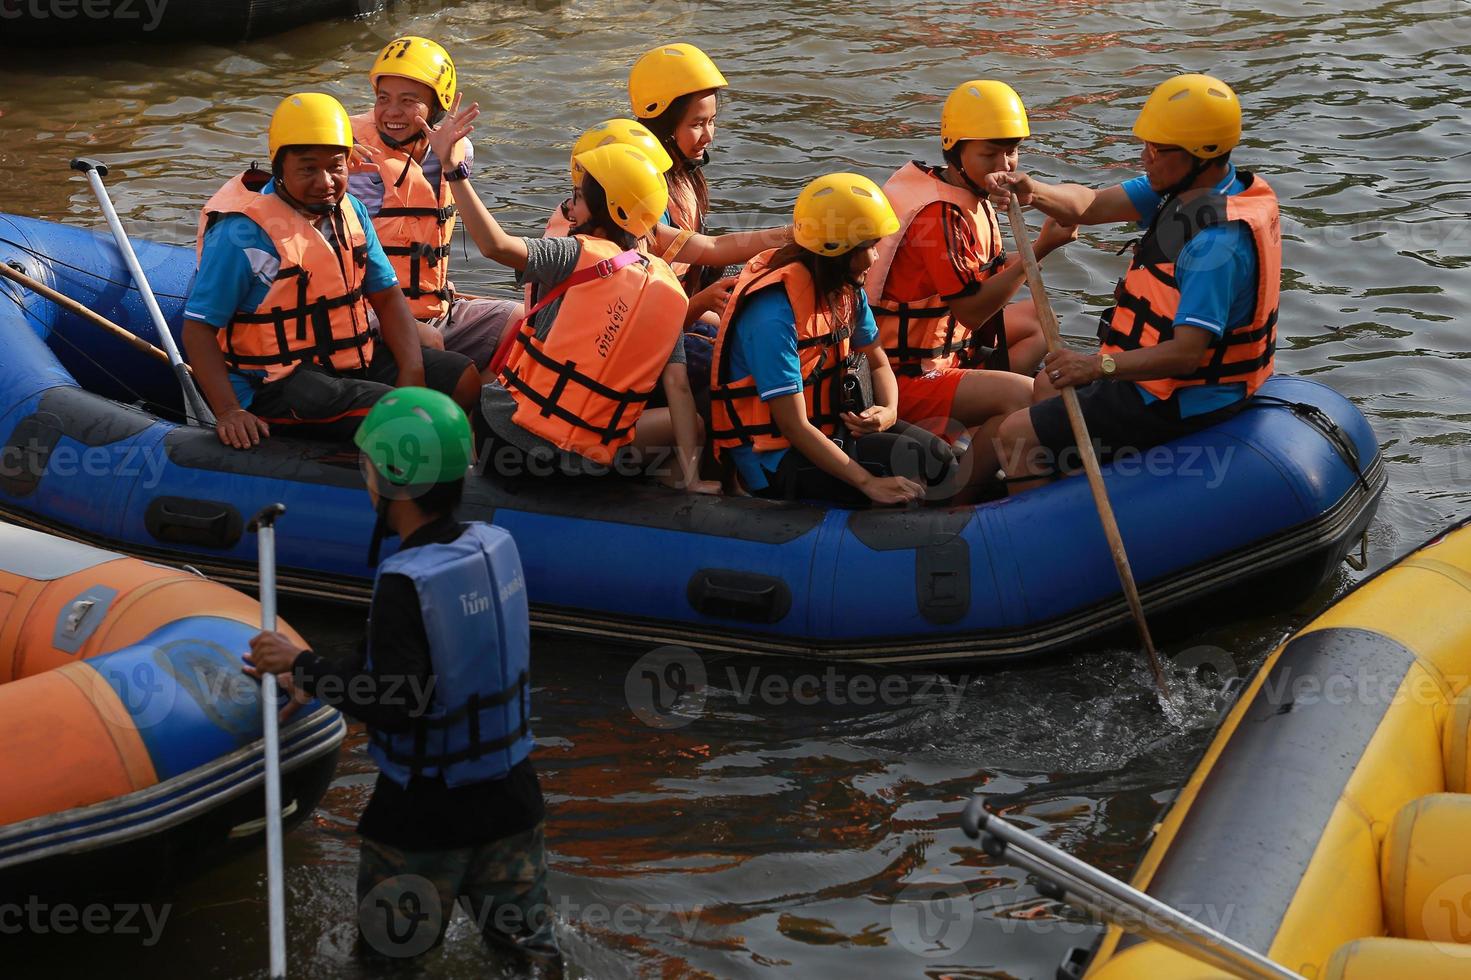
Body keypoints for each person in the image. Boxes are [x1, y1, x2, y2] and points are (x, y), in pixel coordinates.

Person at [243, 388, 560, 975]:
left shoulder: (404, 580)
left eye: (367, 466)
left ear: (394, 479)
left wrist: (302, 666)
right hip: (513, 803)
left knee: (388, 963)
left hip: (424, 820)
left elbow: (397, 700)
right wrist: (315, 674)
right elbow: (439, 664)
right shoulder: (493, 548)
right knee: (530, 962)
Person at [986, 73, 1281, 487]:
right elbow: (1089, 205)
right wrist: (1032, 191)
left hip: (1183, 399)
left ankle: (1042, 533)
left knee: (1014, 435)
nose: (1145, 157)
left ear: (1202, 154)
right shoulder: (1192, 187)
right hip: (1158, 380)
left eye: (1157, 150)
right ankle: (1080, 482)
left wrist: (1096, 365)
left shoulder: (1216, 245)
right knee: (1045, 387)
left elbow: (1185, 356)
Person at [425, 101, 716, 492]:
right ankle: (682, 495)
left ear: (604, 207)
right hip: (584, 466)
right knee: (693, 423)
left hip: (505, 442)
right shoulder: (668, 291)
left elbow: (494, 245)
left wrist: (454, 171)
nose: (570, 207)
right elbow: (678, 388)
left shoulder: (573, 252)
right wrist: (693, 477)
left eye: (577, 197)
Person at [184, 93, 479, 449]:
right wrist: (229, 411)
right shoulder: (241, 234)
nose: (325, 181)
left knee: (463, 377)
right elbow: (199, 329)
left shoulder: (349, 209)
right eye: (308, 169)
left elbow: (386, 298)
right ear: (280, 167)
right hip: (277, 384)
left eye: (336, 167)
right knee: (405, 413)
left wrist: (412, 373)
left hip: (348, 359)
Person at [709, 173, 958, 506]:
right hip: (775, 459)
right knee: (901, 476)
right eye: (866, 247)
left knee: (938, 457)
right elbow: (794, 426)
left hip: (831, 430)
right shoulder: (772, 315)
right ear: (834, 251)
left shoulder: (844, 290)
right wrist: (868, 483)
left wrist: (889, 410)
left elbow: (877, 358)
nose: (874, 258)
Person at [865, 80, 1072, 451]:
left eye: (1011, 152)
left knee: (1042, 321)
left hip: (946, 349)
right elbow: (973, 311)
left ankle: (978, 416)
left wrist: (1039, 248)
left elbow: (981, 280)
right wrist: (1037, 252)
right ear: (955, 151)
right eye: (989, 154)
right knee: (1024, 396)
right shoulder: (938, 214)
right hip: (901, 375)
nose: (1004, 166)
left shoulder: (960, 191)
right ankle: (967, 486)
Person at [348, 36, 524, 380]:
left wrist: (450, 165)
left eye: (408, 101)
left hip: (432, 306)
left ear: (438, 106)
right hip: (365, 310)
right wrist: (334, 156)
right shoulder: (345, 148)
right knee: (431, 345)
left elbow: (484, 241)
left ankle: (486, 414)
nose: (392, 112)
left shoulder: (459, 151)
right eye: (383, 99)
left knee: (520, 320)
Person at [628, 42, 731, 295]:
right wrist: (706, 305)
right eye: (697, 124)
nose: (708, 136)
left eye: (712, 121)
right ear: (663, 125)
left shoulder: (684, 173)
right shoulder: (642, 191)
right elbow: (642, 301)